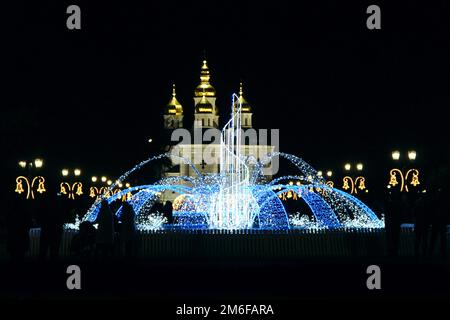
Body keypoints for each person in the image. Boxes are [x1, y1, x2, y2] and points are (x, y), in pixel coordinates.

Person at [413, 192, 431, 257]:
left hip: (419, 223)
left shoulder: (417, 202)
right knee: (424, 239)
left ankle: (417, 253)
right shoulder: (427, 203)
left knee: (418, 239)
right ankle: (423, 253)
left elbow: (414, 213)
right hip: (424, 224)